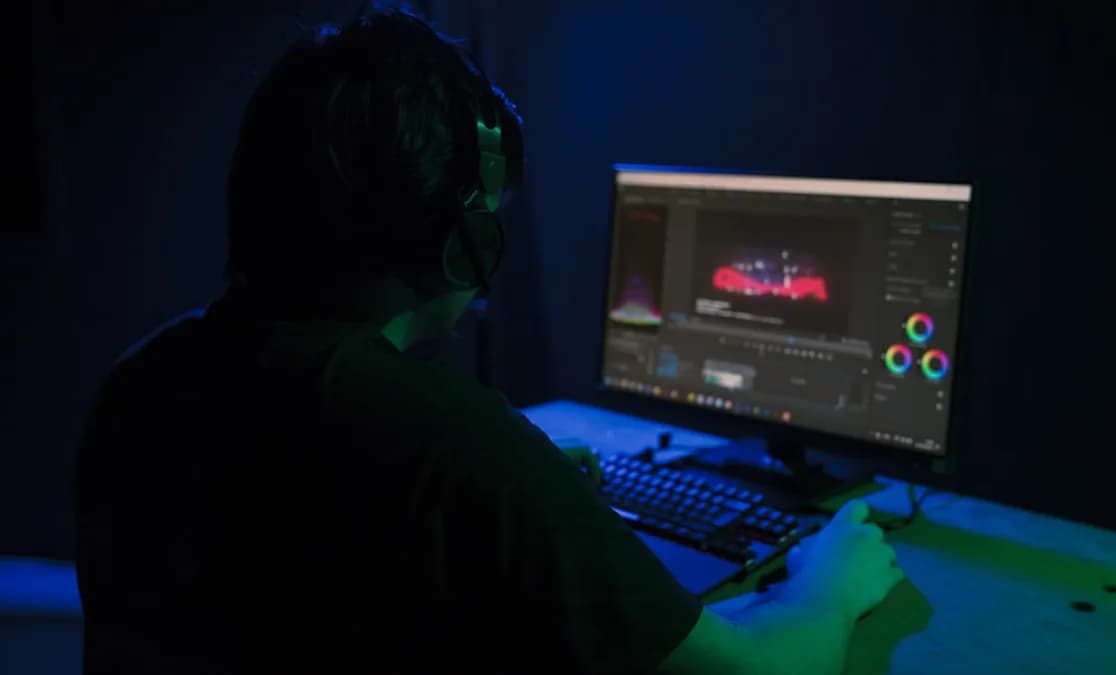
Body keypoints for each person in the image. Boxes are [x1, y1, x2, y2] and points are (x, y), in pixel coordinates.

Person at [73, 6, 903, 675]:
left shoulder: (142, 379)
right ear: (451, 235)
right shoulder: (448, 439)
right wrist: (828, 585)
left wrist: (525, 484)